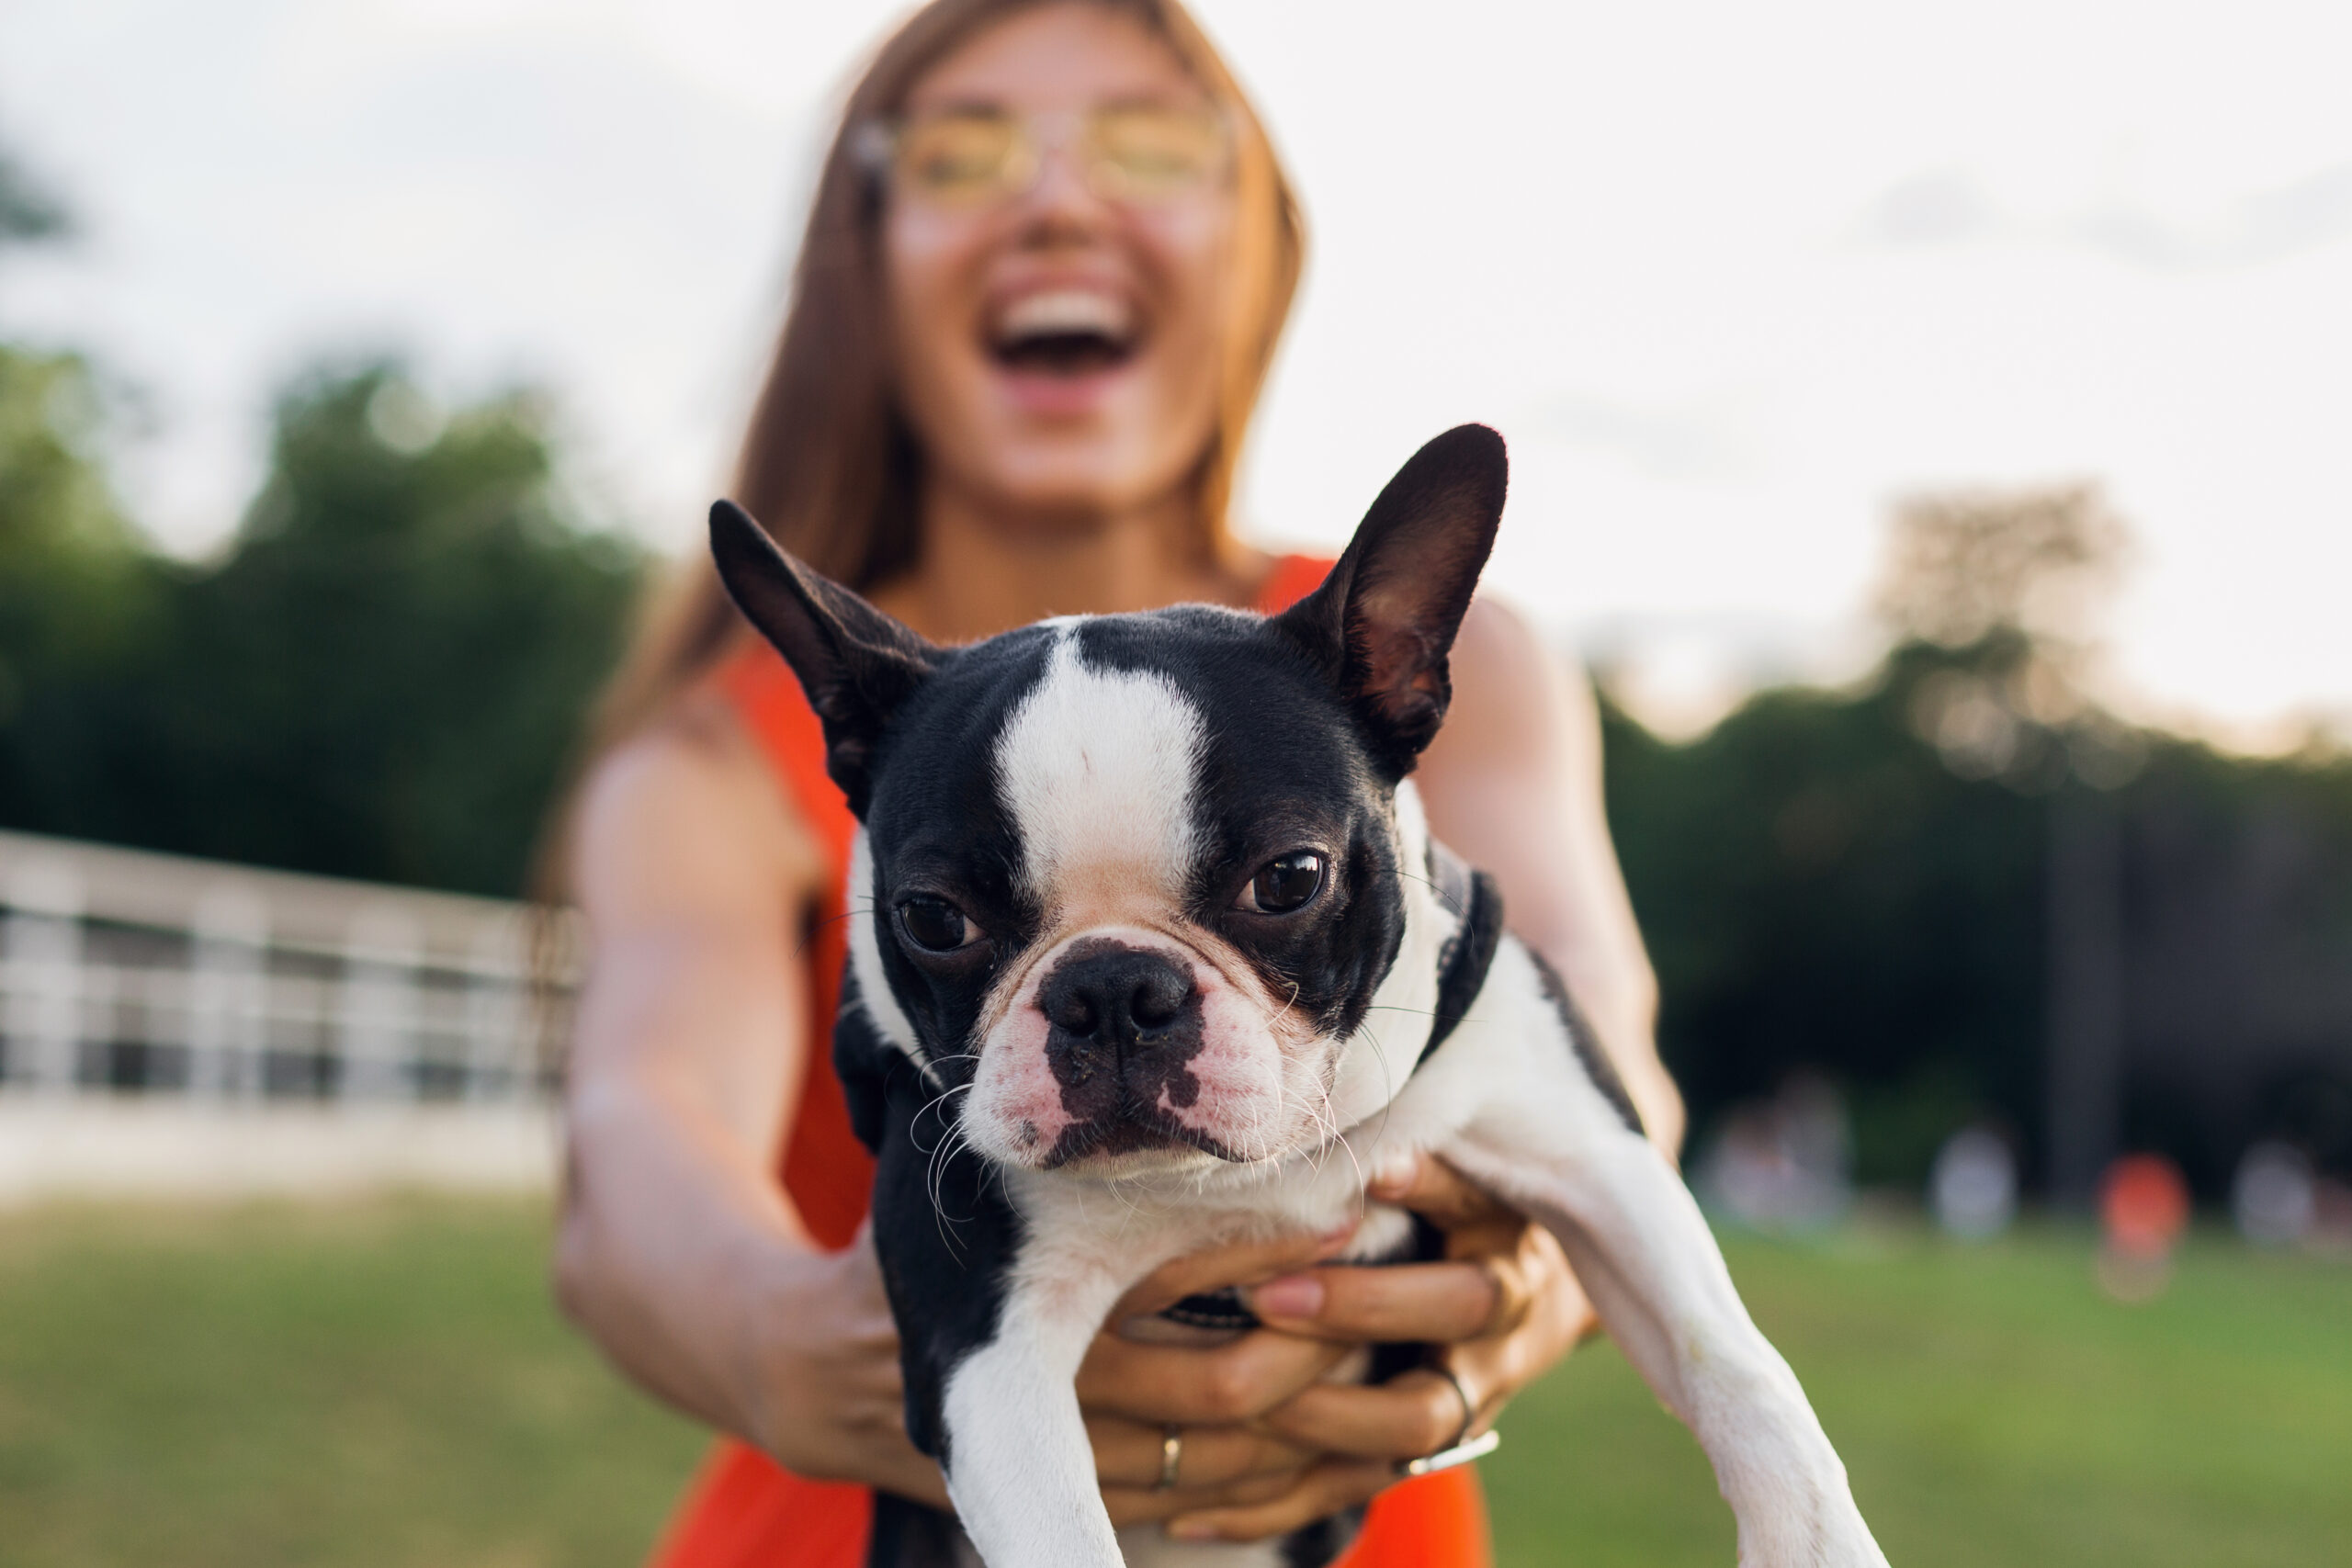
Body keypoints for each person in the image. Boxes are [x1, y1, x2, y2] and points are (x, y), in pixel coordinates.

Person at [552, 2, 1684, 1563]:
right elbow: (635, 1145)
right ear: (860, 260)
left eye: (1146, 143)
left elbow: (1601, 1045)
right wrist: (782, 1336)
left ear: (1257, 242)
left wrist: (1533, 1280)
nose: (1059, 197)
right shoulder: (719, 751)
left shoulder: (1425, 661)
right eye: (966, 150)